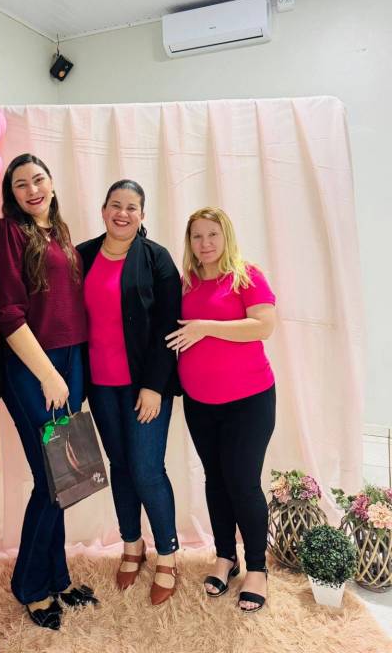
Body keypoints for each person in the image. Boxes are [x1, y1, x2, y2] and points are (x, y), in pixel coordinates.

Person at [0, 153, 98, 631]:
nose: (32, 190)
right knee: (52, 481)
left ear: (52, 182)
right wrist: (49, 375)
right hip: (33, 365)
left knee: (67, 479)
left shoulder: (61, 232)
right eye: (21, 184)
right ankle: (30, 586)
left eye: (38, 180)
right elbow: (8, 313)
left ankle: (57, 577)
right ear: (11, 194)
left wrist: (73, 372)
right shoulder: (6, 232)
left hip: (71, 362)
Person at [166, 206, 276, 613]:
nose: (205, 243)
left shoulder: (247, 276)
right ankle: (225, 557)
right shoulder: (186, 284)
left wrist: (205, 327)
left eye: (212, 234)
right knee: (216, 480)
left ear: (226, 236)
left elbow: (263, 325)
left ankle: (257, 568)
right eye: (197, 236)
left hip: (249, 402)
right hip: (200, 404)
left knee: (243, 483)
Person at [77, 180, 181, 605]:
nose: (123, 213)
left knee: (146, 469)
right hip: (100, 386)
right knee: (120, 466)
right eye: (115, 205)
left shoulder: (157, 259)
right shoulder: (82, 256)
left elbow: (169, 326)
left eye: (131, 207)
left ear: (142, 215)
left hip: (145, 388)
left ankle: (168, 555)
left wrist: (154, 386)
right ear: (103, 210)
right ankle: (132, 545)